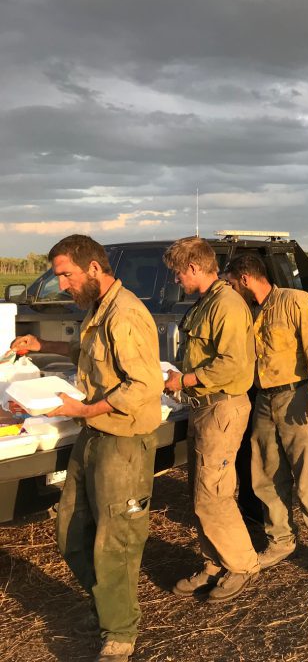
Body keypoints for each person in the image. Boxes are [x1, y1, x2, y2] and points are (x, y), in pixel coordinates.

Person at [10, 235, 162, 662]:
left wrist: (88, 407)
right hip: (94, 433)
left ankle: (120, 630)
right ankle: (106, 607)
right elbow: (88, 354)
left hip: (124, 439)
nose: (61, 285)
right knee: (72, 533)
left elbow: (144, 384)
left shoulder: (126, 314)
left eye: (65, 275)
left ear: (93, 268)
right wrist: (43, 347)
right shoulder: (99, 308)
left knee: (116, 539)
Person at [222, 255, 308, 576]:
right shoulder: (250, 313)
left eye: (232, 283)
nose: (231, 289)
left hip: (297, 395)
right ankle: (281, 539)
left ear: (245, 278)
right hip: (263, 399)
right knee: (265, 473)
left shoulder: (294, 301)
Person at [162, 237, 260, 602]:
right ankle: (214, 562)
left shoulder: (227, 305)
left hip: (222, 407)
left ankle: (242, 564)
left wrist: (185, 379)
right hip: (205, 406)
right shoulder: (208, 302)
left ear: (192, 268)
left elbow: (233, 363)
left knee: (213, 494)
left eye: (176, 273)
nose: (176, 280)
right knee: (200, 492)